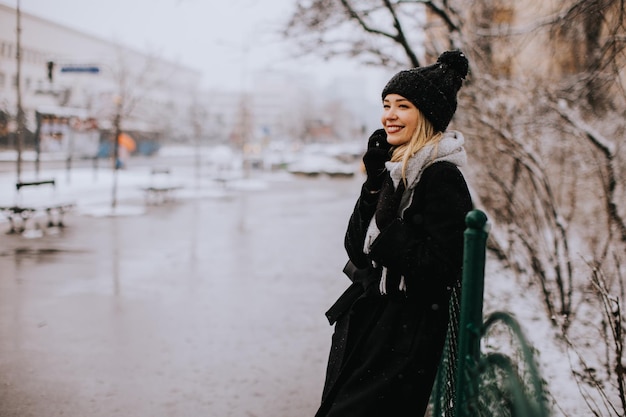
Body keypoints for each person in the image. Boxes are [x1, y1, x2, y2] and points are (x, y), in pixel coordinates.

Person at [315, 50, 473, 417]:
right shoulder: (394, 171)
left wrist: (388, 231)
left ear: (427, 114)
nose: (389, 114)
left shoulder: (441, 176)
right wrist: (372, 189)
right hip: (371, 320)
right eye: (386, 104)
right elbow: (356, 250)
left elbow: (442, 267)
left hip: (404, 334)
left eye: (402, 105)